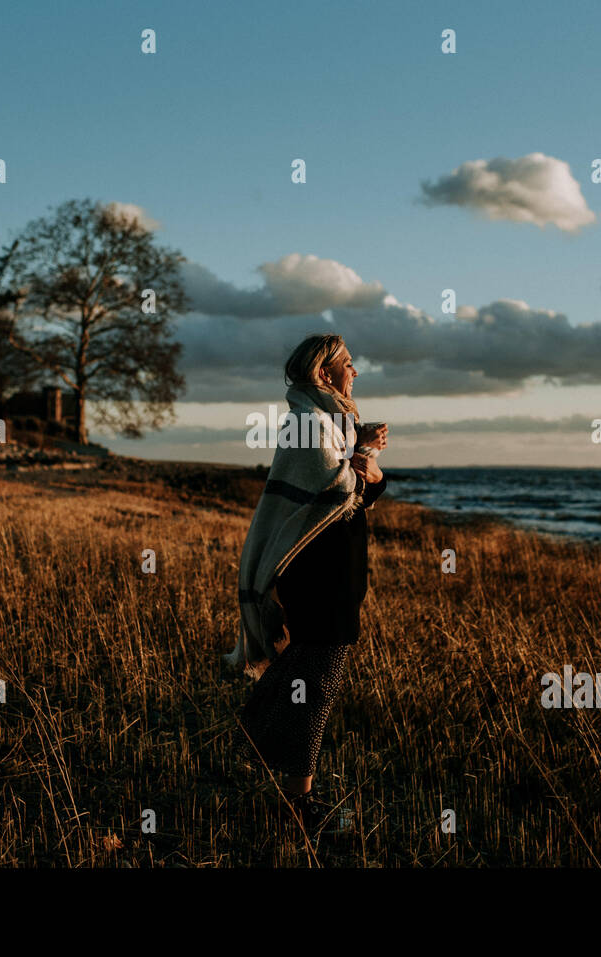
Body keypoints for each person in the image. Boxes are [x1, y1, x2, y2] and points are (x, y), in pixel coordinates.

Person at [228, 333, 389, 837]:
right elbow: (335, 492)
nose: (355, 372)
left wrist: (370, 466)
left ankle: (253, 735)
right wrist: (361, 457)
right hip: (319, 578)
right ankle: (299, 804)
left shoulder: (332, 425)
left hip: (337, 575)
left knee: (310, 670)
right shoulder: (309, 424)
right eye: (347, 364)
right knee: (316, 686)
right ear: (323, 373)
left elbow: (354, 494)